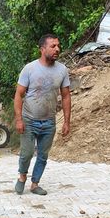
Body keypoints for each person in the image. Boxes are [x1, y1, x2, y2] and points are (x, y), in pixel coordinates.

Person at [14, 34, 71, 196]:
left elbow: (66, 96)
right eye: (53, 46)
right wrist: (19, 119)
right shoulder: (29, 69)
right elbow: (18, 94)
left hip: (49, 121)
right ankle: (22, 176)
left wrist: (67, 122)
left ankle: (35, 184)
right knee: (26, 153)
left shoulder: (62, 70)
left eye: (58, 46)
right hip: (29, 120)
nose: (57, 49)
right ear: (42, 49)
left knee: (43, 155)